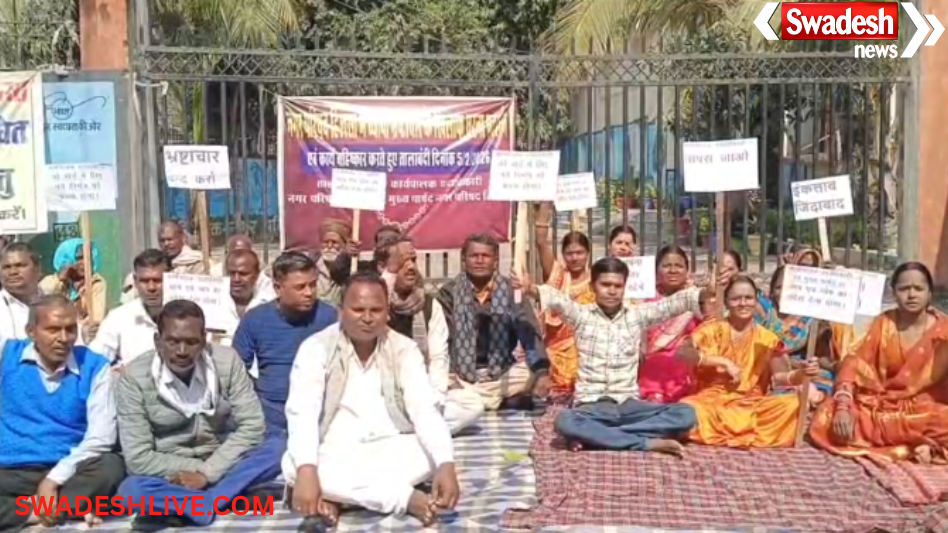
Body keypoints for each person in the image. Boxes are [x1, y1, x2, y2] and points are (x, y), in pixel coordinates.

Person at [283, 272, 459, 527]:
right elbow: (303, 412)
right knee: (294, 466)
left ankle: (338, 498)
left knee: (434, 456)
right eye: (358, 310)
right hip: (334, 449)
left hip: (388, 446)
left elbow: (424, 410)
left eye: (376, 310)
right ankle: (402, 498)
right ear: (340, 311)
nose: (367, 318)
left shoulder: (403, 349)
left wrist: (445, 464)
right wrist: (307, 469)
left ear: (387, 312)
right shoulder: (316, 348)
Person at [512, 257, 716, 454]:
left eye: (618, 286)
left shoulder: (636, 316)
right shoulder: (581, 316)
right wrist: (529, 288)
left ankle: (600, 436)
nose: (612, 291)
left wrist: (708, 291)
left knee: (686, 414)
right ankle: (643, 442)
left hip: (629, 406)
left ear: (624, 287)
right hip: (591, 407)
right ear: (592, 287)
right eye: (605, 284)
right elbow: (557, 300)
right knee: (565, 421)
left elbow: (674, 303)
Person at [114, 300, 281, 527]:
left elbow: (253, 426)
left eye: (191, 342)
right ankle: (225, 497)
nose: (182, 351)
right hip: (170, 474)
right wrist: (198, 472)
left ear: (204, 339)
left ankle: (202, 503)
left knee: (278, 446)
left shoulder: (227, 362)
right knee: (131, 492)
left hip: (221, 459)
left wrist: (207, 474)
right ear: (157, 341)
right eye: (173, 342)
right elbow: (138, 458)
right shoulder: (134, 378)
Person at [0, 295, 124, 531]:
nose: (63, 338)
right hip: (12, 469)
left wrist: (53, 479)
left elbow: (101, 437)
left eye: (70, 329)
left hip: (69, 470)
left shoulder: (94, 366)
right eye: (53, 330)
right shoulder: (7, 356)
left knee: (111, 466)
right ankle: (42, 511)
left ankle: (28, 511)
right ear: (31, 331)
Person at [810, 262, 948, 463]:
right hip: (880, 405)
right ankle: (916, 445)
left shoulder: (944, 330)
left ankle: (918, 444)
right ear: (894, 293)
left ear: (929, 294)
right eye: (904, 289)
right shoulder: (883, 323)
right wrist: (843, 407)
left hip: (925, 411)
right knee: (827, 417)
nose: (911, 295)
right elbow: (853, 364)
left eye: (918, 289)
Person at [677, 275, 819, 448]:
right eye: (736, 299)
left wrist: (801, 374)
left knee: (792, 403)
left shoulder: (767, 338)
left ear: (756, 301)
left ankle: (721, 431)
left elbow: (780, 377)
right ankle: (736, 431)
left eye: (748, 298)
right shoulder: (712, 329)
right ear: (727, 302)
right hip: (712, 401)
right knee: (689, 407)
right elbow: (683, 352)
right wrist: (722, 362)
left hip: (751, 403)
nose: (743, 303)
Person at [377, 237, 484, 434]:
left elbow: (438, 358)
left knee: (472, 404)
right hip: (383, 387)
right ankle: (421, 428)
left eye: (413, 260)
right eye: (402, 261)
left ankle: (408, 428)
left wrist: (435, 398)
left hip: (420, 387)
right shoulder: (375, 305)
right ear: (384, 267)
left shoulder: (429, 305)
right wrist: (389, 275)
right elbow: (378, 304)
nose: (411, 267)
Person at [437, 234, 550, 411]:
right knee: (438, 379)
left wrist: (541, 372)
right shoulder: (448, 293)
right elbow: (442, 341)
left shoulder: (512, 291)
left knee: (530, 372)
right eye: (474, 256)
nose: (480, 261)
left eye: (485, 256)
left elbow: (529, 334)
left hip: (502, 373)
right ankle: (496, 400)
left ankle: (474, 400)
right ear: (464, 260)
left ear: (495, 261)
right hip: (461, 375)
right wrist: (451, 376)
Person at [233, 252, 338, 436]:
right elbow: (236, 371)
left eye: (313, 285)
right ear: (278, 288)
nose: (309, 293)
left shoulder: (330, 318)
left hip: (318, 412)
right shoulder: (255, 319)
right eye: (300, 287)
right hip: (268, 416)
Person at [756, 266, 857, 401]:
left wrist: (836, 366)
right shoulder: (762, 310)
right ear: (772, 290)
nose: (784, 293)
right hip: (764, 369)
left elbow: (819, 355)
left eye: (790, 288)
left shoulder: (809, 316)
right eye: (779, 288)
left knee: (826, 390)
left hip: (800, 368)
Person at [533, 203, 595, 394]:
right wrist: (545, 208)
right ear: (563, 255)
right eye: (570, 253)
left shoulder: (597, 281)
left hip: (587, 348)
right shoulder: (557, 276)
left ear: (588, 254)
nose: (575, 258)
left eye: (579, 253)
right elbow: (541, 242)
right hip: (556, 350)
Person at [639, 246, 704, 403]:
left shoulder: (697, 298)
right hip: (649, 362)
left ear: (687, 270)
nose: (673, 270)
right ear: (656, 271)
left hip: (686, 360)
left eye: (679, 266)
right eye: (666, 266)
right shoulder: (644, 299)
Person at [90, 249, 170, 365]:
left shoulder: (189, 316)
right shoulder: (118, 318)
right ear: (135, 281)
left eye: (158, 280)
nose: (151, 287)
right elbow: (95, 362)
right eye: (144, 281)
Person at [40, 238, 108, 343]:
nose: (85, 262)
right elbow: (41, 298)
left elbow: (96, 318)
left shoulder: (96, 282)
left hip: (85, 337)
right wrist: (60, 279)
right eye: (79, 258)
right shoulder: (52, 281)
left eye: (88, 257)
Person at [121, 222, 206, 304]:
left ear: (182, 238)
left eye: (170, 239)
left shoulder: (197, 262)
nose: (166, 244)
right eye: (162, 240)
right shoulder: (159, 261)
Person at [215, 249, 273, 349]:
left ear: (257, 275)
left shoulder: (270, 302)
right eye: (231, 273)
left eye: (243, 274)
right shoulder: (212, 302)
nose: (236, 279)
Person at [209, 234, 276, 300]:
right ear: (227, 253)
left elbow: (267, 297)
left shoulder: (260, 275)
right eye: (235, 254)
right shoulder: (215, 273)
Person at [0, 243, 43, 339]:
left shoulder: (53, 302)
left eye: (20, 265)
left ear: (37, 268)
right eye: (6, 267)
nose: (13, 272)